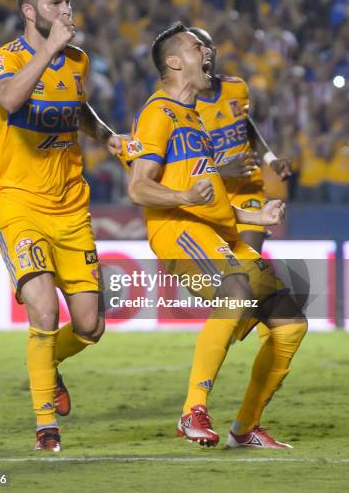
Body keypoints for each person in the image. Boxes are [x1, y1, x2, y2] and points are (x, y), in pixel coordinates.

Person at [126, 22, 307, 449]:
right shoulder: (158, 112)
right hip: (180, 231)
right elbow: (137, 187)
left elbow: (213, 198)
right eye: (195, 47)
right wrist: (184, 193)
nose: (206, 52)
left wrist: (256, 215)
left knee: (291, 325)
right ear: (174, 62)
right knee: (237, 289)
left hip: (217, 231)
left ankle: (245, 428)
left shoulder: (193, 117)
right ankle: (193, 410)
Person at [0, 0, 122, 452]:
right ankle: (47, 427)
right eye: (56, 3)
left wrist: (108, 136)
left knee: (90, 326)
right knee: (43, 310)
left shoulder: (78, 61)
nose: (68, 10)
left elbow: (79, 108)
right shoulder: (3, 59)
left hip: (70, 206)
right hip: (18, 201)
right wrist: (48, 51)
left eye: (69, 1)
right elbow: (9, 98)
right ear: (30, 11)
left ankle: (49, 366)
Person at [189, 27, 292, 344]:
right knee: (225, 279)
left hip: (248, 190)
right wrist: (222, 167)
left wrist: (270, 157)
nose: (207, 54)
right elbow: (183, 164)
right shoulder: (181, 106)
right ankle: (245, 317)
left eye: (210, 47)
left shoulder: (237, 88)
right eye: (198, 48)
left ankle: (248, 321)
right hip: (211, 197)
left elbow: (246, 126)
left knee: (248, 255)